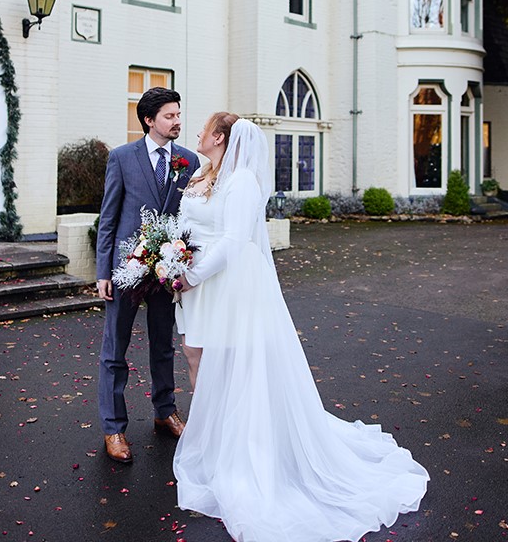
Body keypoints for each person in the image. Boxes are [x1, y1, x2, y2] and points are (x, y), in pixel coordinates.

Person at [171, 115, 428, 542]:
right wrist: (170, 255)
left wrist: (191, 274)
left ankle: (237, 448)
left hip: (225, 283)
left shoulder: (241, 183)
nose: (196, 131)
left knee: (229, 363)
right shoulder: (203, 172)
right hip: (194, 280)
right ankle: (209, 437)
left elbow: (234, 242)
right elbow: (189, 222)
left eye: (204, 127)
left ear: (220, 138)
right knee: (195, 354)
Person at [95, 86, 198, 464]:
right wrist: (103, 270)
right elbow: (108, 217)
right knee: (114, 350)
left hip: (167, 269)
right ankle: (113, 428)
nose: (177, 122)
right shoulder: (122, 158)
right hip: (126, 270)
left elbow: (191, 218)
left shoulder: (189, 161)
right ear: (149, 120)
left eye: (178, 115)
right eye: (170, 116)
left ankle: (164, 411)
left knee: (163, 344)